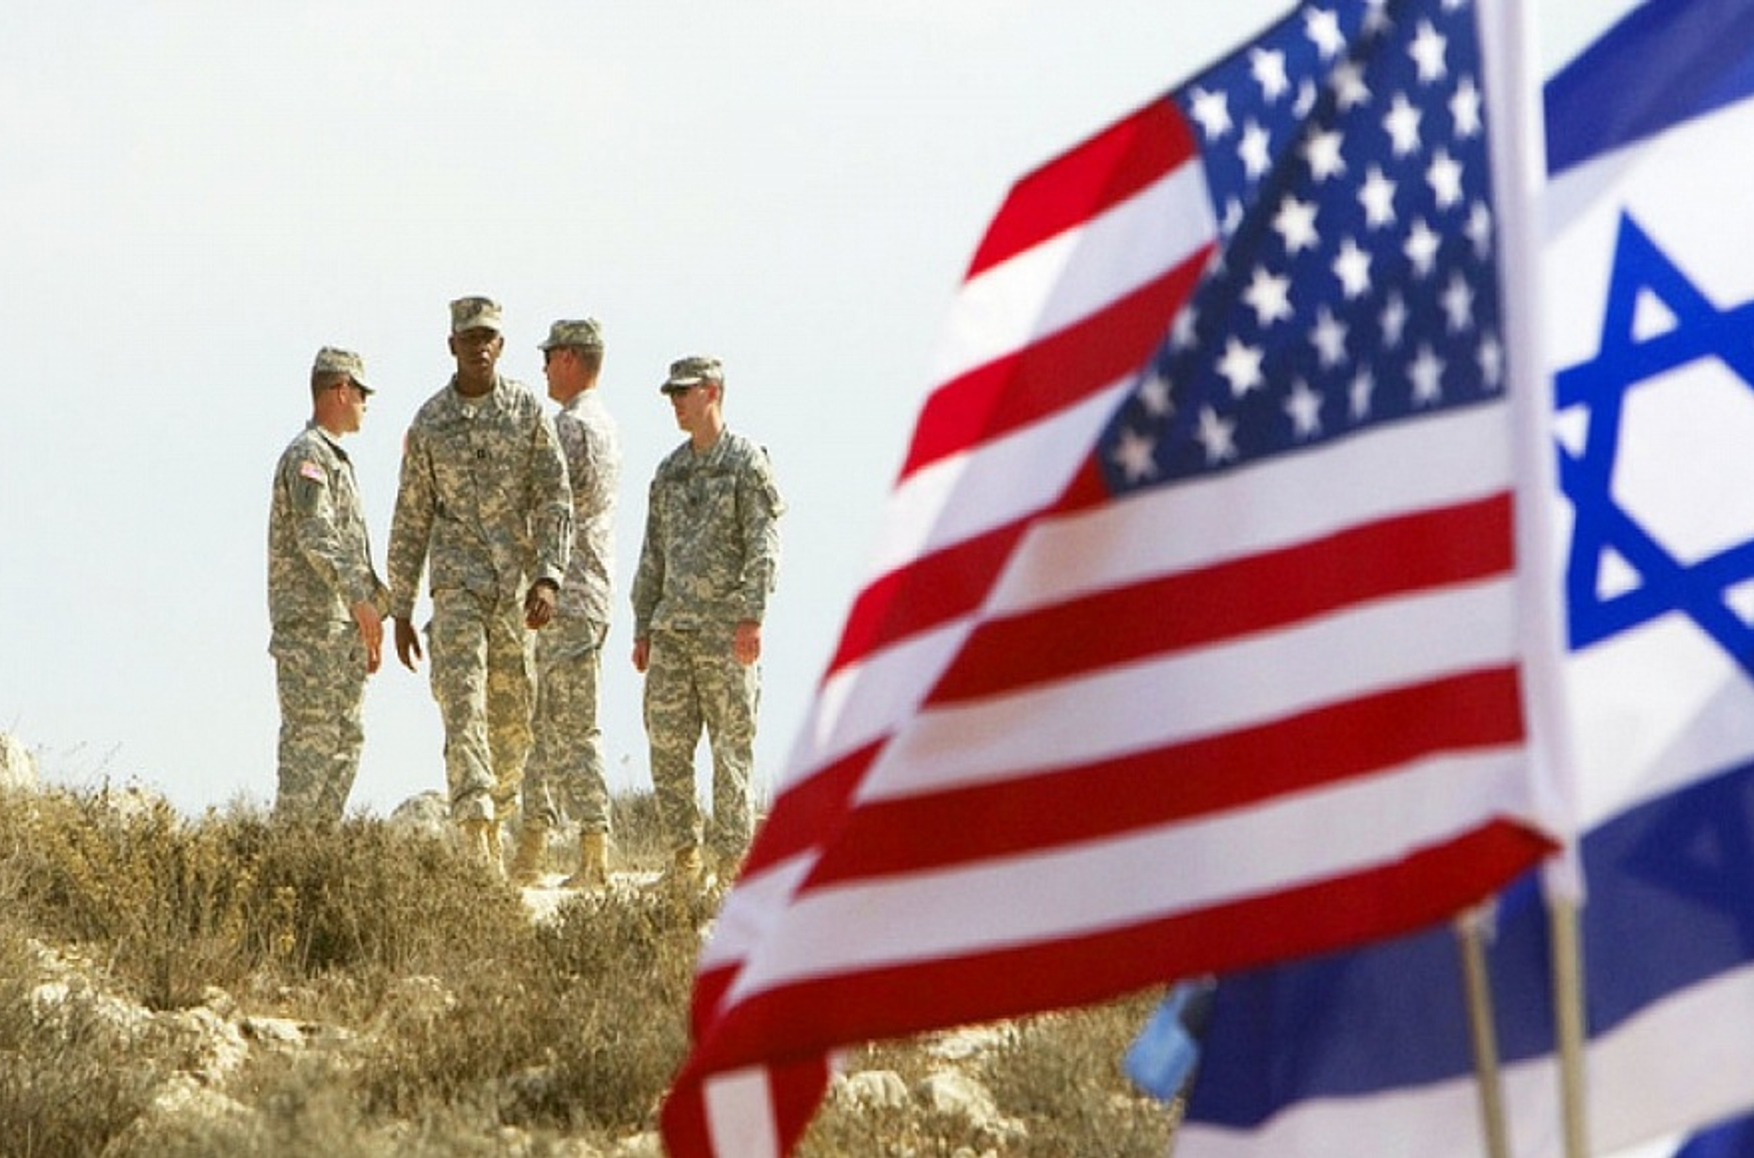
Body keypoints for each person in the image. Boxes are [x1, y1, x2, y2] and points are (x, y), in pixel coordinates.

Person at [387, 296, 573, 869]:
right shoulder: (430, 423)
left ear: (501, 345)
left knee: (514, 726)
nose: (479, 347)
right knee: (463, 703)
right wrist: (400, 608)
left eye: (488, 337)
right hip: (455, 587)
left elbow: (554, 497)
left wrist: (548, 576)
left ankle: (498, 810)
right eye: (469, 338)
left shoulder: (526, 411)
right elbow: (411, 516)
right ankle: (474, 830)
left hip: (514, 591)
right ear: (452, 346)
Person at [631, 355, 784, 888]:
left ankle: (732, 863)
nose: (676, 403)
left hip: (725, 634)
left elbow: (764, 547)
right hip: (672, 633)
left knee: (730, 750)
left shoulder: (745, 464)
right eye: (672, 394)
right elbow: (652, 555)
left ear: (712, 392)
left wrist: (752, 616)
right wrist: (643, 625)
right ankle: (684, 861)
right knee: (667, 746)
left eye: (685, 392)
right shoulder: (669, 472)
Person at [510, 318, 622, 888]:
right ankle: (534, 849)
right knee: (549, 724)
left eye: (551, 356)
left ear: (571, 359)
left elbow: (547, 505)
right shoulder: (603, 423)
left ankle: (591, 851)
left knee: (568, 726)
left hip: (565, 596)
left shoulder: (571, 428)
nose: (545, 367)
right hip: (584, 594)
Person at [267, 346, 390, 824]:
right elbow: (314, 532)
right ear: (340, 390)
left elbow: (350, 546)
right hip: (311, 630)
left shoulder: (334, 459)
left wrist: (369, 617)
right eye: (361, 393)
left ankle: (318, 854)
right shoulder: (309, 457)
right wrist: (358, 600)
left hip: (341, 632)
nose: (365, 404)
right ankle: (288, 852)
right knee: (309, 748)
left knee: (344, 742)